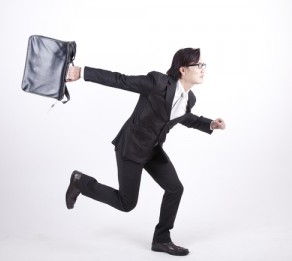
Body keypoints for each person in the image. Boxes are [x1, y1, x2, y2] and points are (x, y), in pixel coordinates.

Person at [65, 48, 225, 256]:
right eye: (199, 65)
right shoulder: (158, 83)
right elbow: (120, 80)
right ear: (183, 70)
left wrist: (210, 124)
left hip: (153, 149)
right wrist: (82, 72)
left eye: (204, 65)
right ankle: (80, 182)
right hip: (131, 148)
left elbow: (185, 117)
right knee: (126, 203)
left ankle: (161, 240)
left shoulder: (189, 99)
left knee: (175, 189)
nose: (203, 69)